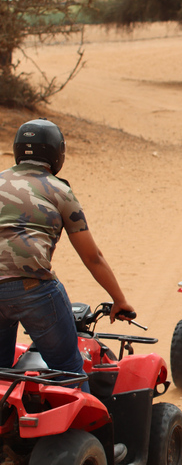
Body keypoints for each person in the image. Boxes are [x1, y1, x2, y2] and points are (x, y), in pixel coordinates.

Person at [0, 119, 135, 394]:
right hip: (33, 288)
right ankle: (88, 436)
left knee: (2, 373)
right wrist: (119, 300)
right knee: (68, 369)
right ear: (56, 153)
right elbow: (92, 257)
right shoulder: (60, 191)